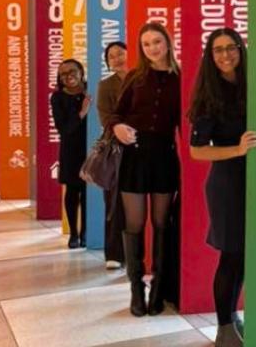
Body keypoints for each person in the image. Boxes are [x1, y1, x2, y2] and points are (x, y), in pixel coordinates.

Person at [188, 28, 256, 347]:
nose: (225, 55)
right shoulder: (208, 96)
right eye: (218, 50)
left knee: (245, 255)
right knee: (231, 256)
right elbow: (197, 150)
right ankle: (224, 328)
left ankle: (233, 318)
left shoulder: (253, 85)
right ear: (210, 56)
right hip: (228, 184)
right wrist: (237, 149)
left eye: (231, 48)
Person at [105, 22, 180, 317]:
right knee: (134, 224)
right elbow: (114, 114)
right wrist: (118, 126)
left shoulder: (180, 77)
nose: (152, 48)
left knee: (162, 224)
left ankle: (159, 288)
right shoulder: (135, 77)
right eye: (146, 44)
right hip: (134, 158)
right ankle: (136, 289)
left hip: (164, 158)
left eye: (157, 42)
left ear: (167, 43)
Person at [51, 58, 90, 249]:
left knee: (87, 192)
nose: (68, 77)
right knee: (72, 191)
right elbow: (63, 129)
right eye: (63, 74)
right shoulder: (57, 97)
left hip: (91, 149)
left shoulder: (91, 91)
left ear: (81, 71)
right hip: (70, 150)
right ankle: (74, 233)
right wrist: (81, 113)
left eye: (72, 72)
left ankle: (86, 233)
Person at [96, 41, 128, 270]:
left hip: (144, 148)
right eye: (112, 56)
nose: (117, 59)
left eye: (120, 53)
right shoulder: (106, 86)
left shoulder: (142, 79)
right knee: (114, 202)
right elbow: (106, 119)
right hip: (117, 150)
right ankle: (114, 252)